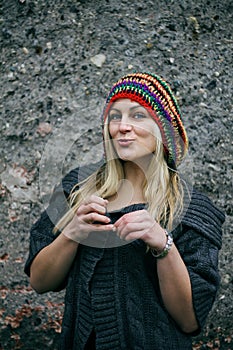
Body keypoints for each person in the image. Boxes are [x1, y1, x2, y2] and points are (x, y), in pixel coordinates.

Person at [24, 72, 225, 350]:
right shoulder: (78, 188)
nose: (122, 126)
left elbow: (189, 322)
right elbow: (39, 281)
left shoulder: (190, 209)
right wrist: (72, 232)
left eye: (138, 115)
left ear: (163, 130)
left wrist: (164, 245)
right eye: (114, 116)